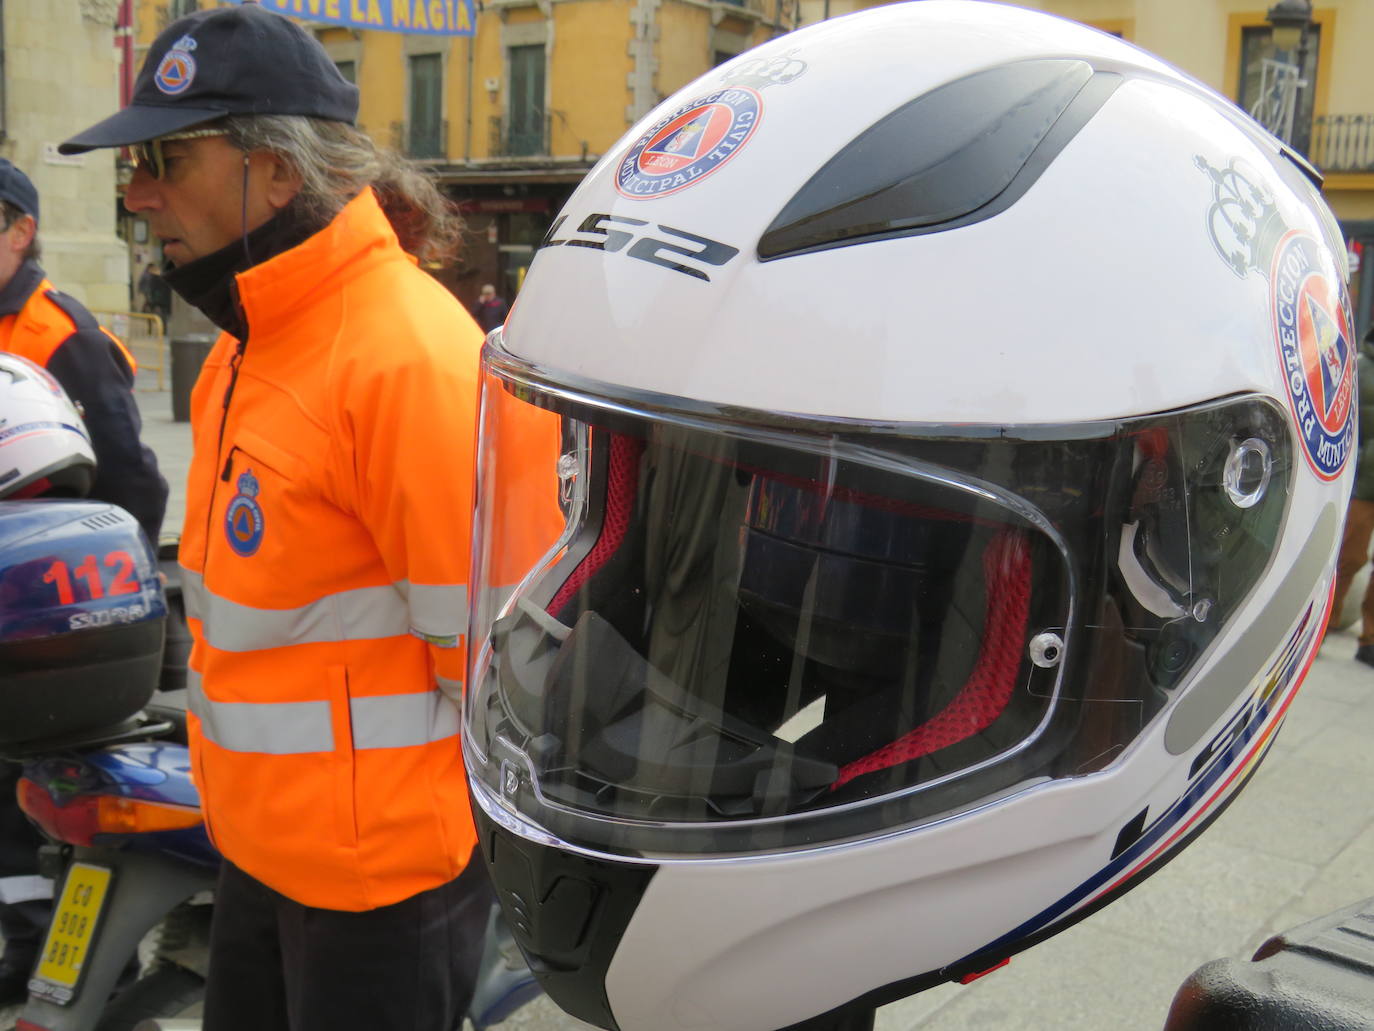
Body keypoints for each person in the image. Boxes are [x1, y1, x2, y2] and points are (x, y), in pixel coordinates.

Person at [60, 4, 555, 1028]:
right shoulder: (246, 345)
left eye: (165, 159)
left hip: (381, 885)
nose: (138, 193)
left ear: (278, 169)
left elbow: (507, 671)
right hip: (257, 852)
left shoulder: (408, 358)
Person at [0, 159, 168, 1006]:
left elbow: (131, 479)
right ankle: (26, 948)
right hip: (11, 610)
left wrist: (88, 593)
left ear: (20, 230)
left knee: (48, 802)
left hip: (59, 615)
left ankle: (89, 969)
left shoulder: (59, 331)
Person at [1328, 324, 1374, 666]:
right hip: (1363, 482)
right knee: (1350, 557)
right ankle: (1324, 624)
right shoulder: (1359, 367)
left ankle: (1369, 640)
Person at [137, 259, 172, 327]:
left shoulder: (151, 276)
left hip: (157, 297)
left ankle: (149, 315)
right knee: (153, 308)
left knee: (152, 307)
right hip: (157, 297)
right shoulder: (151, 276)